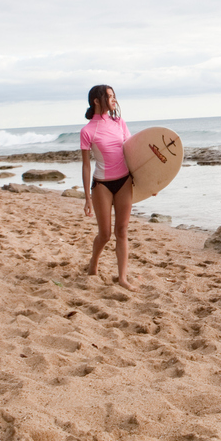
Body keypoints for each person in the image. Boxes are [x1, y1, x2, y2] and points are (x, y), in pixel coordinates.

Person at [80, 85, 136, 290]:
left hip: (124, 181)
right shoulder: (87, 131)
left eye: (114, 96)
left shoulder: (119, 123)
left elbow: (133, 153)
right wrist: (87, 197)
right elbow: (86, 165)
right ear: (97, 100)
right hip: (102, 184)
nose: (113, 99)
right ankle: (94, 261)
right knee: (104, 234)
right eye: (109, 96)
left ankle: (122, 278)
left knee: (122, 230)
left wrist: (150, 182)